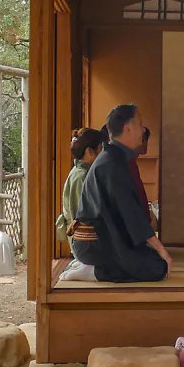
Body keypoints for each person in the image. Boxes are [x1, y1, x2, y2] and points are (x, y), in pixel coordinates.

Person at [69, 104, 173, 283]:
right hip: (94, 243)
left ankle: (95, 266)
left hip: (105, 237)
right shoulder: (112, 163)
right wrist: (161, 249)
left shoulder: (114, 157)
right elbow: (129, 211)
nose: (143, 130)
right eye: (140, 125)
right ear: (128, 129)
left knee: (149, 258)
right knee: (157, 268)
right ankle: (94, 271)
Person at [56, 126, 105, 244]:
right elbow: (79, 216)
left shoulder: (87, 173)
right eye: (101, 149)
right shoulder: (80, 177)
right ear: (89, 152)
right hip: (85, 240)